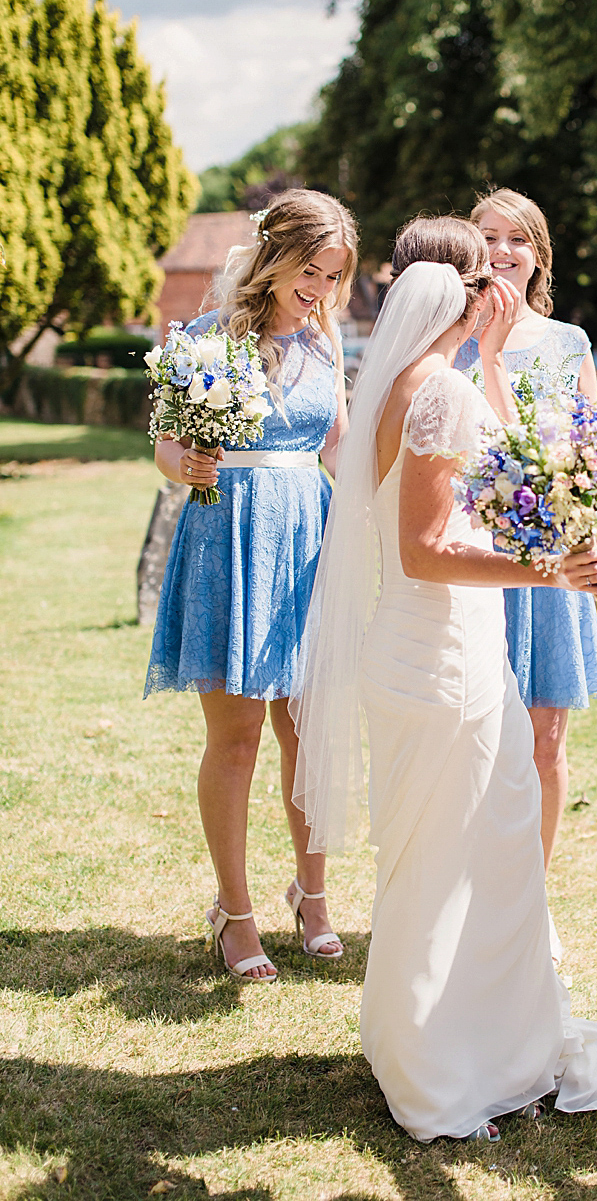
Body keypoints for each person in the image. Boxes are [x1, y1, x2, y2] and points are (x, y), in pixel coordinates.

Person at [291, 228, 597, 1142]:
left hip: (418, 655)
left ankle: (427, 1041)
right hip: (445, 664)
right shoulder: (441, 393)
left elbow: (485, 486)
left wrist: (498, 361)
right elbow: (429, 550)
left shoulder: (396, 387)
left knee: (441, 859)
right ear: (470, 304)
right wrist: (551, 569)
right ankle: (446, 1068)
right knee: (463, 856)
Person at [145, 189, 357, 981]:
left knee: (308, 736)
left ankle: (315, 894)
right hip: (228, 535)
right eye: (312, 271)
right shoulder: (206, 339)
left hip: (307, 543)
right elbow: (165, 447)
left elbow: (338, 449)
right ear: (274, 259)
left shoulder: (326, 347)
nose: (321, 290)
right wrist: (186, 464)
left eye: (334, 276)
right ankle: (234, 913)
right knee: (235, 740)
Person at [453, 187, 597, 873]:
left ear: (538, 257)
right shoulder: (447, 343)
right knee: (473, 740)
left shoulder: (568, 343)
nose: (503, 251)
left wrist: (588, 529)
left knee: (545, 739)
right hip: (474, 562)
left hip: (552, 570)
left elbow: (592, 449)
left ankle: (529, 897)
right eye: (488, 235)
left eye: (519, 239)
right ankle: (469, 890)